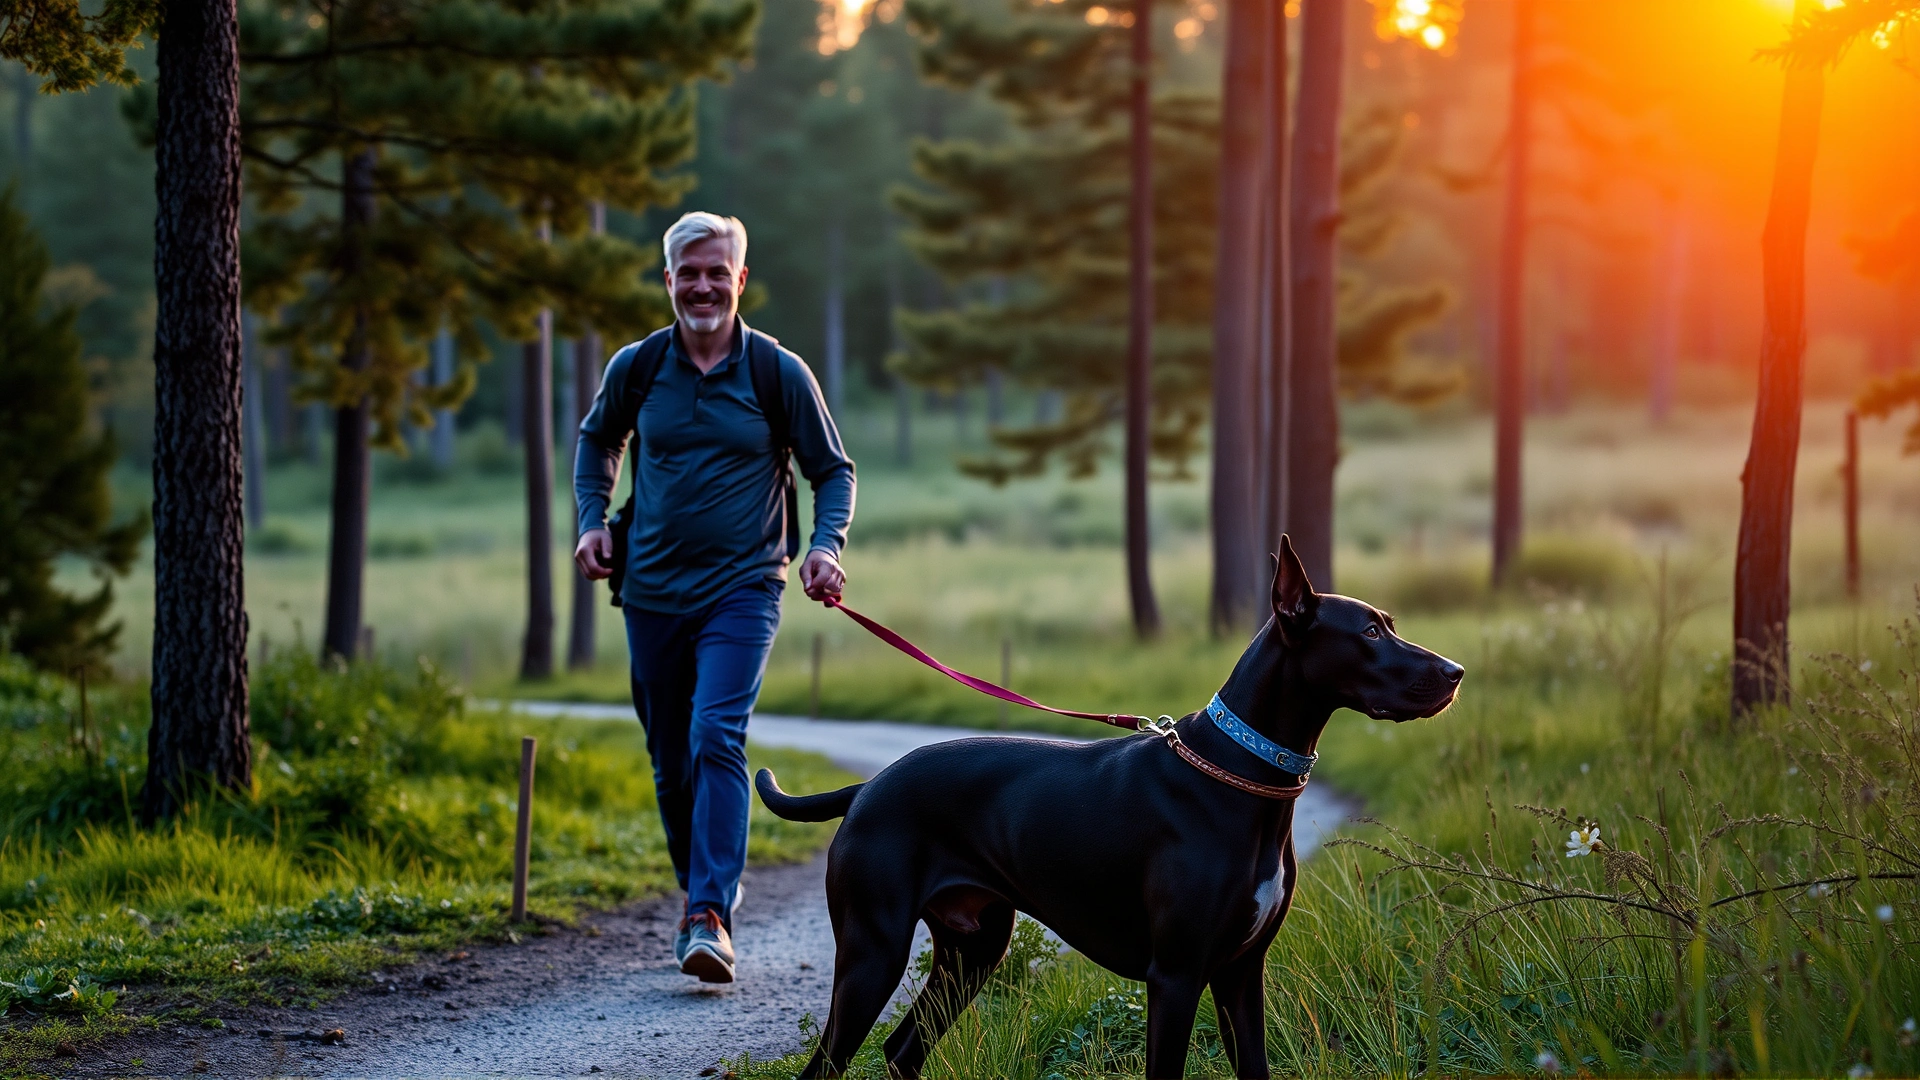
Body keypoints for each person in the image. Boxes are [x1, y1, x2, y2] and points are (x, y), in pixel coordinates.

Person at [573, 212, 854, 984]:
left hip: (745, 587)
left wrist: (825, 548)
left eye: (715, 271)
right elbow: (598, 442)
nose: (702, 285)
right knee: (670, 762)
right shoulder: (638, 368)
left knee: (714, 734)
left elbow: (832, 470)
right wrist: (592, 522)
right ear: (668, 281)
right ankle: (702, 888)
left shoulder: (776, 371)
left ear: (740, 278)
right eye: (686, 272)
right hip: (652, 592)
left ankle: (708, 916)